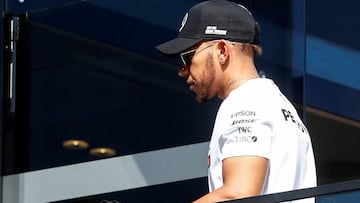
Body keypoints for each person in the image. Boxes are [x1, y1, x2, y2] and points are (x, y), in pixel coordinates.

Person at [156, 0, 317, 202]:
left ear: (222, 51)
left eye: (187, 57)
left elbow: (238, 194)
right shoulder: (281, 105)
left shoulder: (245, 101)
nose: (183, 71)